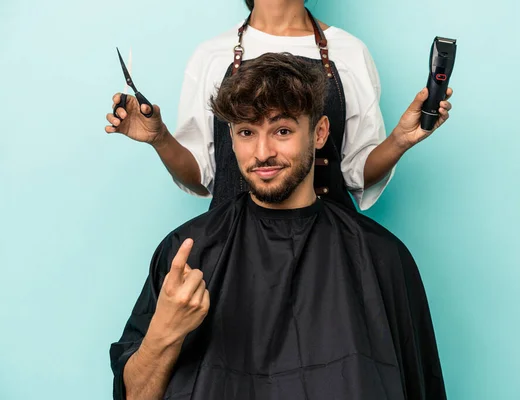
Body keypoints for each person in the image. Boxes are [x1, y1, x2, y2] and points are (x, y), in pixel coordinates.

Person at [109, 53, 446, 400]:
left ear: (319, 132)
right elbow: (135, 394)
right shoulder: (189, 253)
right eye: (246, 132)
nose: (262, 152)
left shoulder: (380, 257)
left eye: (282, 130)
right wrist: (164, 333)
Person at [104, 0, 452, 212]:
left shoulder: (349, 52)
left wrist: (400, 141)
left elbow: (355, 172)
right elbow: (202, 177)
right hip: (234, 250)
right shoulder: (211, 55)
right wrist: (160, 138)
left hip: (328, 248)